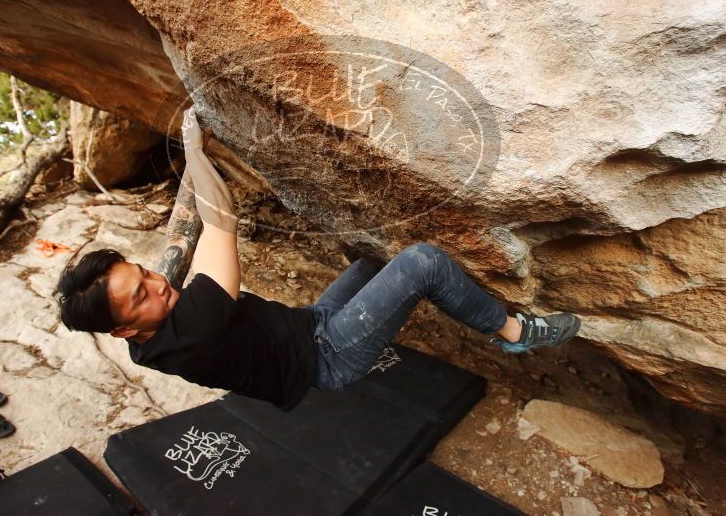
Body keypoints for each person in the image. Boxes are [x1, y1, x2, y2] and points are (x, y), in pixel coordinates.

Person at [53, 105, 581, 411]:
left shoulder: (144, 326)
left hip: (311, 325)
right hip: (328, 357)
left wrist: (195, 152)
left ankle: (465, 306)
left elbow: (178, 242)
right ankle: (514, 333)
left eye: (143, 273)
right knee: (422, 262)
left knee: (374, 258)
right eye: (141, 294)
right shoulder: (192, 332)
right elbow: (220, 220)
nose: (157, 284)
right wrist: (193, 149)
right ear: (122, 330)